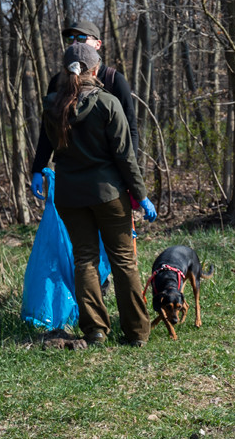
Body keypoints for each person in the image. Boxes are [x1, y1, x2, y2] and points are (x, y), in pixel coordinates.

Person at [38, 42, 155, 346]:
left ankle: (96, 332)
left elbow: (47, 147)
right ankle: (137, 333)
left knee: (85, 259)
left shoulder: (52, 106)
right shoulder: (107, 103)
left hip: (69, 196)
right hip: (109, 195)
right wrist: (141, 195)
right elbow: (124, 157)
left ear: (66, 72)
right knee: (123, 261)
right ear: (94, 70)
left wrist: (38, 169)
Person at [31, 20, 141, 182]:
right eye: (70, 39)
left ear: (98, 44)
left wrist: (130, 178)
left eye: (81, 38)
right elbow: (48, 130)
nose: (74, 43)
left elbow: (130, 130)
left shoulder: (114, 80)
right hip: (69, 178)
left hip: (108, 179)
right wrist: (38, 169)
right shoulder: (57, 82)